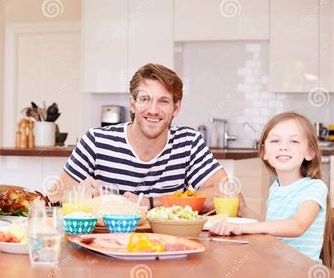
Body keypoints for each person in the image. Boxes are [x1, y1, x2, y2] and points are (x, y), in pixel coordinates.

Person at [54, 63, 232, 212]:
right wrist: (78, 194)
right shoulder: (95, 141)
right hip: (105, 245)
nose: (153, 110)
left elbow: (225, 192)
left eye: (163, 101)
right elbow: (53, 196)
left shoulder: (188, 143)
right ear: (132, 104)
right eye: (145, 99)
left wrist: (151, 202)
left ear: (176, 108)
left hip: (168, 245)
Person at [210, 112, 331, 267]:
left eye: (294, 141)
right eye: (275, 140)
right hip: (277, 269)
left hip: (302, 275)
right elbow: (273, 226)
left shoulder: (314, 187)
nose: (283, 147)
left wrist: (241, 227)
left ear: (310, 152)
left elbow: (297, 226)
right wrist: (244, 210)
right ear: (264, 152)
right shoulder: (276, 188)